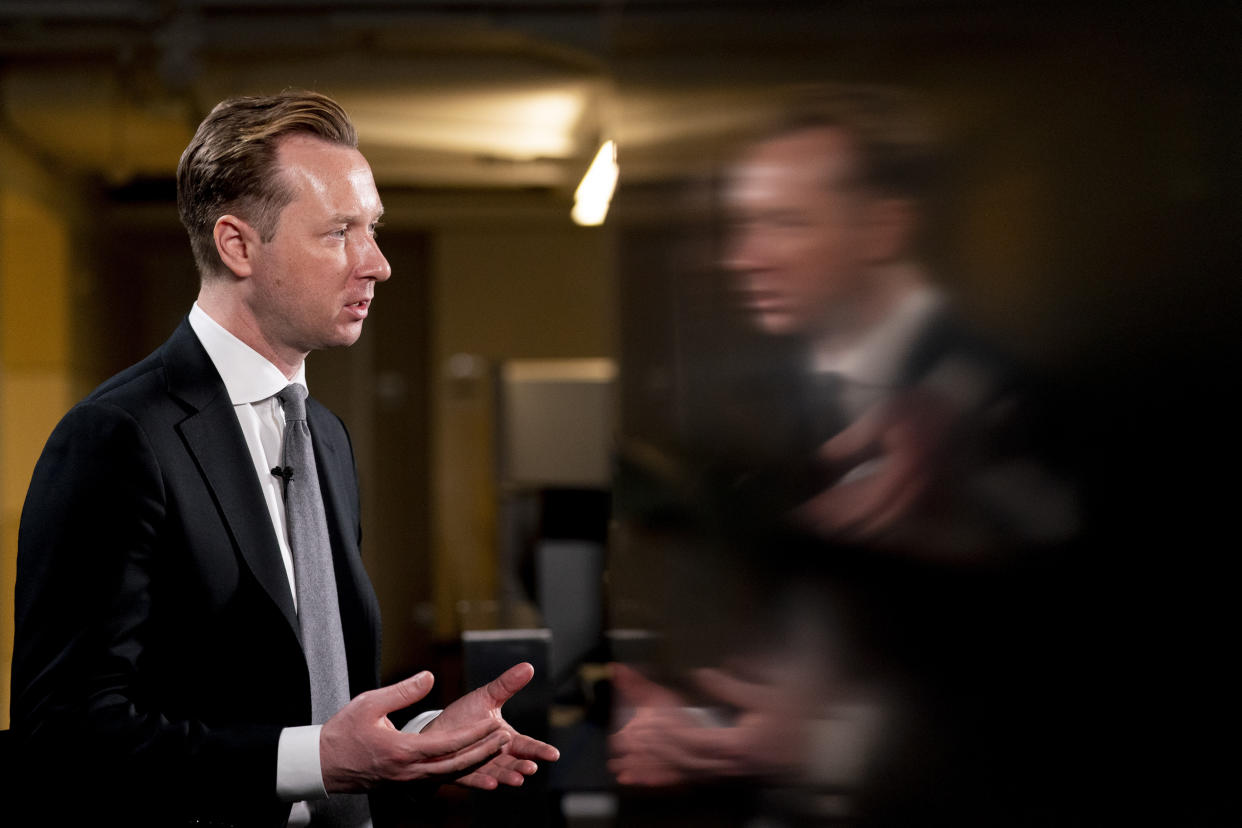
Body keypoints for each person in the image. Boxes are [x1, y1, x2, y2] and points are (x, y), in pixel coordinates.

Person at [10, 90, 558, 827]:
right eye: (340, 232)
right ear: (238, 246)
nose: (378, 264)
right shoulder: (116, 438)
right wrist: (317, 763)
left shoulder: (325, 436)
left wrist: (419, 744)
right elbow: (63, 735)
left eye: (374, 230)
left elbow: (307, 703)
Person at [609, 84, 1080, 825]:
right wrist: (707, 729)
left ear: (882, 228)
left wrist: (821, 745)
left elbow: (1050, 691)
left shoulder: (1007, 404)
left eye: (783, 223)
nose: (744, 258)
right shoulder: (782, 404)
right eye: (742, 226)